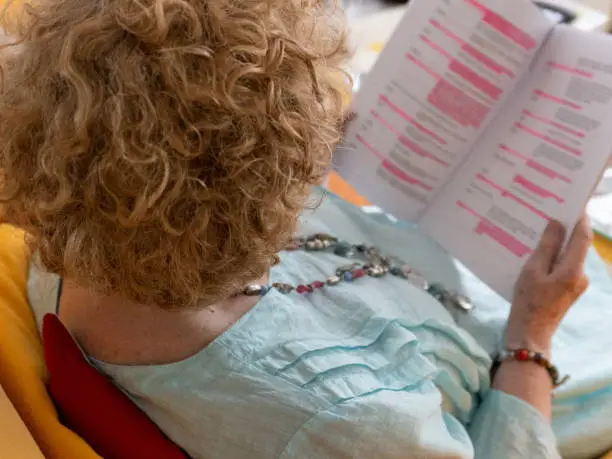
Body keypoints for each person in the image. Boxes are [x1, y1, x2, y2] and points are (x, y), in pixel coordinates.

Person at [0, 0, 608, 458]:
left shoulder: (80, 209)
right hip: (541, 367)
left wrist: (292, 129)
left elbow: (167, 131)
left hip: (424, 268)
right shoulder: (342, 416)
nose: (341, 117)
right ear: (250, 191)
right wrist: (533, 333)